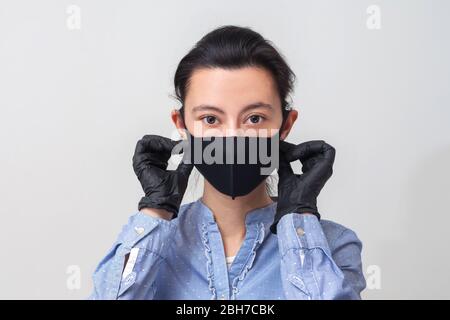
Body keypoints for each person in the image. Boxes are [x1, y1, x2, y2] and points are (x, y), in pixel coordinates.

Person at [89, 25, 366, 300]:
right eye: (210, 119)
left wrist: (298, 217)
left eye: (254, 118)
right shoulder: (148, 243)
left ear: (285, 126)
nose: (233, 137)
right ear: (182, 125)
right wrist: (156, 210)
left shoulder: (331, 246)